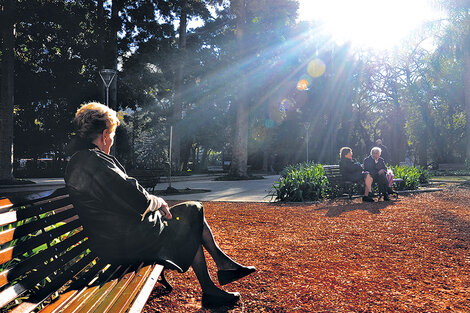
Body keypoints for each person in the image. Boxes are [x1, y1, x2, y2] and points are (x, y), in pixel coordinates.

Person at [65, 102, 256, 307]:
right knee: (190, 216)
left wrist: (155, 203)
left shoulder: (87, 160)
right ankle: (217, 275)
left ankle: (217, 276)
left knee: (190, 212)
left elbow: (128, 193)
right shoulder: (95, 162)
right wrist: (159, 202)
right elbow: (138, 200)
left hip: (121, 237)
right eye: (112, 135)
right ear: (104, 135)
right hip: (124, 244)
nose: (111, 140)